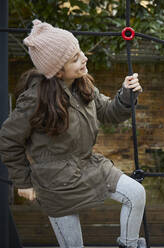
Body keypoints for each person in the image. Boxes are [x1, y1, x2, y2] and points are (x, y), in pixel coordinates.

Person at [0, 20, 146, 248]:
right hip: (55, 182)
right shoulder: (34, 99)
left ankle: (129, 245)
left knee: (136, 193)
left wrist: (126, 95)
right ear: (57, 70)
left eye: (80, 52)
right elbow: (9, 139)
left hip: (89, 166)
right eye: (75, 58)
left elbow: (109, 112)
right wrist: (23, 182)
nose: (84, 58)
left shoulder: (83, 85)